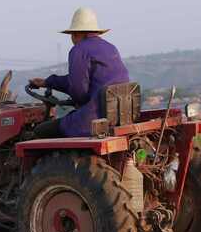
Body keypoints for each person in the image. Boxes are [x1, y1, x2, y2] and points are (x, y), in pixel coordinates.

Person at [29, 7, 130, 138]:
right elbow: (82, 80)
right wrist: (47, 82)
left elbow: (78, 90)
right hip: (119, 114)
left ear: (76, 34)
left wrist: (76, 101)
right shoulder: (110, 47)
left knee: (40, 131)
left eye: (72, 35)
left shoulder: (79, 50)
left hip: (94, 117)